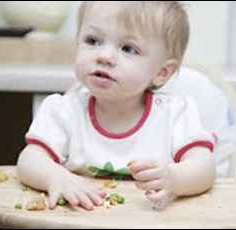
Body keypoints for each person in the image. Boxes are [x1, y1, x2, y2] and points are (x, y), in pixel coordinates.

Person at [17, 1, 216, 211]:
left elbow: (205, 167)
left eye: (128, 48)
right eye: (92, 40)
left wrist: (174, 178)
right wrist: (55, 177)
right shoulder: (64, 110)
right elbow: (29, 159)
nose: (104, 56)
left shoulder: (176, 114)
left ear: (161, 72)